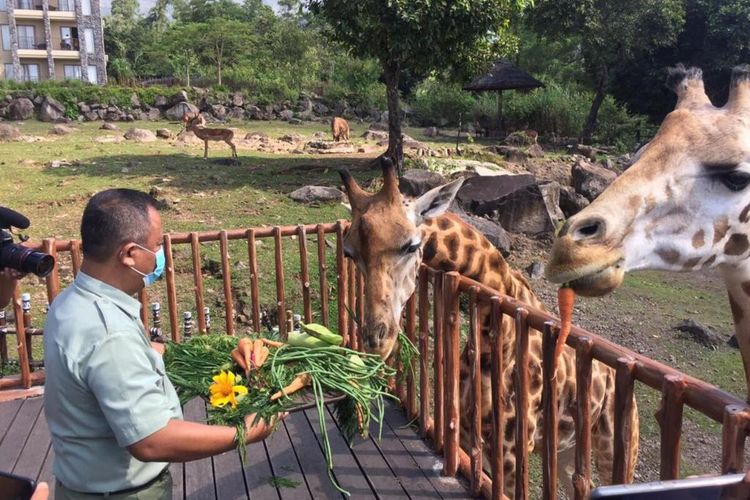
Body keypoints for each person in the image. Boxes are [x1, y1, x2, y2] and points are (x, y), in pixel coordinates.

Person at [43, 189, 285, 499]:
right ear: (129, 253)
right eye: (157, 245)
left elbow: (110, 367)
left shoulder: (71, 302)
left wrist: (200, 354)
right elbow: (151, 440)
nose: (161, 254)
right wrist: (245, 433)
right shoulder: (108, 333)